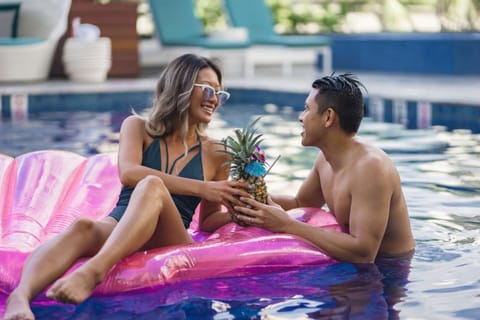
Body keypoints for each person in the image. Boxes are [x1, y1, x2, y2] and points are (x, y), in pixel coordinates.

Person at [3, 53, 250, 320]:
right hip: (122, 221)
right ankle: (20, 297)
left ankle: (95, 270)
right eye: (207, 88)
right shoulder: (138, 127)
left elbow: (209, 220)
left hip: (170, 233)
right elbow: (129, 173)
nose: (214, 98)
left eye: (219, 92)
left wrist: (239, 212)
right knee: (82, 227)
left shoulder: (218, 152)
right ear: (181, 87)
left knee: (152, 186)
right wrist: (202, 188)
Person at [234, 73, 415, 263]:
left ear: (328, 117)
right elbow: (300, 203)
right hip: (356, 267)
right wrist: (252, 198)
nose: (300, 117)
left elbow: (364, 252)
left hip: (390, 272)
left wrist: (287, 225)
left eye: (306, 109)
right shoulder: (325, 159)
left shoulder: (370, 167)